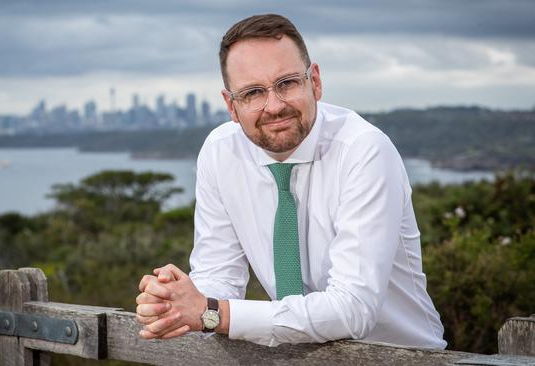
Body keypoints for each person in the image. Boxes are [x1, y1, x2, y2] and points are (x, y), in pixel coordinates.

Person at [135, 13, 446, 348]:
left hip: (399, 357)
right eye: (253, 93)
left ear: (315, 81)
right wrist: (176, 303)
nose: (274, 106)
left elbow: (353, 309)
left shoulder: (364, 151)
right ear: (231, 105)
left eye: (287, 83)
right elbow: (219, 274)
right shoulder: (220, 152)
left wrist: (214, 313)